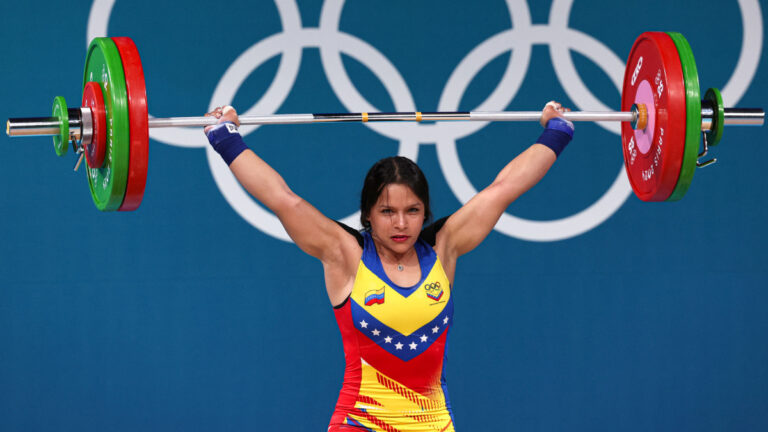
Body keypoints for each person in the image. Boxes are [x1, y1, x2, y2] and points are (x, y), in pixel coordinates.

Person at [203, 102, 573, 431]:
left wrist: (556, 131)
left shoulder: (444, 248)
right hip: (359, 422)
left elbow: (504, 188)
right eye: (387, 212)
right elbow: (283, 199)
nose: (401, 224)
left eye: (412, 211)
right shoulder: (344, 253)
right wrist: (226, 138)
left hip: (434, 425)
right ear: (368, 214)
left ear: (424, 212)